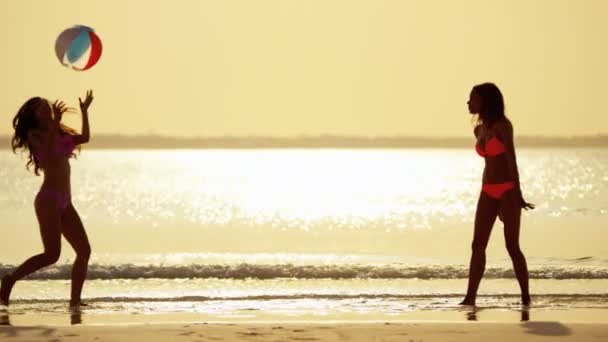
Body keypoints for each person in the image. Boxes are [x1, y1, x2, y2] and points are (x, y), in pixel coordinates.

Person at [1, 90, 94, 307]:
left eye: (46, 105)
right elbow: (51, 152)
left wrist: (84, 112)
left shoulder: (58, 132)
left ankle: (75, 301)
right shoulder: (35, 134)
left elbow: (85, 137)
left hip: (65, 201)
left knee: (84, 250)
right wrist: (56, 124)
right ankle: (10, 279)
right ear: (34, 114)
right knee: (52, 254)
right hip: (48, 200)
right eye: (41, 107)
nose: (46, 108)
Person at [460, 83, 534, 306]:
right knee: (477, 245)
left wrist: (517, 193)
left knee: (512, 246)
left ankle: (525, 296)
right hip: (487, 190)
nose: (468, 102)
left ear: (485, 101)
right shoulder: (479, 129)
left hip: (507, 191)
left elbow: (511, 159)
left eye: (472, 99)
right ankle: (470, 297)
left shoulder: (503, 127)